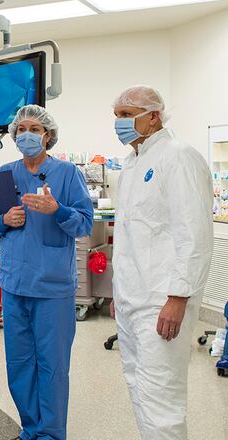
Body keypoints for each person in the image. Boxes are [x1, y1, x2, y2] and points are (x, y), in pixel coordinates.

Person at [0, 105, 94, 440]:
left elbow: (85, 223)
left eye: (34, 129)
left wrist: (57, 210)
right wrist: (4, 221)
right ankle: (30, 430)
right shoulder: (4, 174)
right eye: (21, 129)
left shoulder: (66, 173)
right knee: (19, 366)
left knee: (52, 367)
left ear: (48, 135)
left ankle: (51, 434)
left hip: (52, 286)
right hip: (15, 284)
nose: (26, 134)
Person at [110, 85, 213, 440]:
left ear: (153, 116)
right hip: (132, 300)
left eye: (126, 115)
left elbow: (194, 234)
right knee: (138, 389)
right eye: (117, 116)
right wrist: (118, 296)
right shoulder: (132, 164)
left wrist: (178, 298)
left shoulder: (178, 156)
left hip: (162, 300)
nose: (119, 123)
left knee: (161, 401)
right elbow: (131, 239)